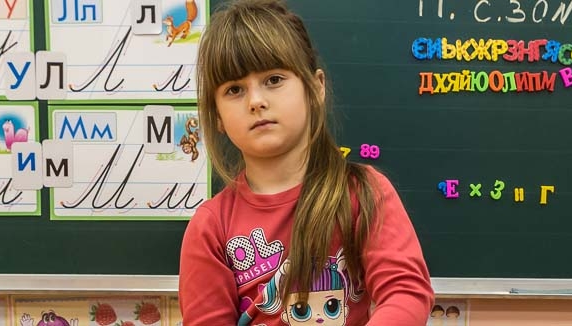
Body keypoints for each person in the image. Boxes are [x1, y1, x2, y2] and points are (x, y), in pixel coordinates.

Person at [178, 0, 434, 325]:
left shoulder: (363, 192)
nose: (256, 101)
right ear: (217, 116)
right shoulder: (210, 229)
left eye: (273, 80)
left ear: (315, 87)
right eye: (235, 89)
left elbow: (406, 292)